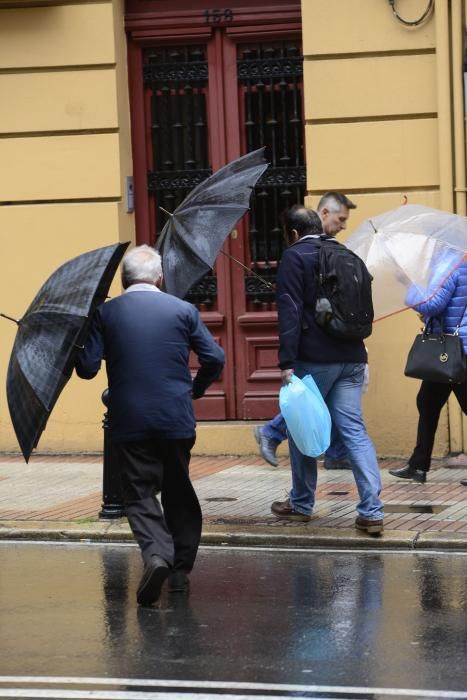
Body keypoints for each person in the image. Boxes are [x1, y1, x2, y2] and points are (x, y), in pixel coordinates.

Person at [75, 245, 224, 606]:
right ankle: (179, 574)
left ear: (124, 280)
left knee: (139, 493)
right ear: (159, 278)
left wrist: (82, 342)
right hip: (175, 417)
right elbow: (214, 358)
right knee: (178, 490)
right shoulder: (183, 310)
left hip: (130, 419)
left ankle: (157, 554)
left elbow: (87, 368)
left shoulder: (106, 313)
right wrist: (196, 388)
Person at [270, 204, 384, 534]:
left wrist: (286, 361)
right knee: (354, 431)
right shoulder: (344, 252)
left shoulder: (294, 256)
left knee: (301, 425)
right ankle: (372, 511)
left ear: (292, 233)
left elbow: (289, 312)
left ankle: (301, 503)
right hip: (353, 356)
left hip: (315, 359)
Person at [255, 191, 358, 470]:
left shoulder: (322, 252)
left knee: (315, 404)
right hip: (329, 347)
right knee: (312, 406)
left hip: (331, 346)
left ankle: (331, 454)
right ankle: (275, 433)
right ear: (322, 215)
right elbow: (297, 306)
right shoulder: (318, 252)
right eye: (341, 219)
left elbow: (308, 303)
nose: (344, 225)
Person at [389, 257, 467, 484]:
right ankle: (418, 465)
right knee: (427, 402)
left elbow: (433, 304)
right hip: (451, 348)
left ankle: (418, 465)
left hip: (456, 349)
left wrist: (409, 284)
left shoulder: (451, 265)